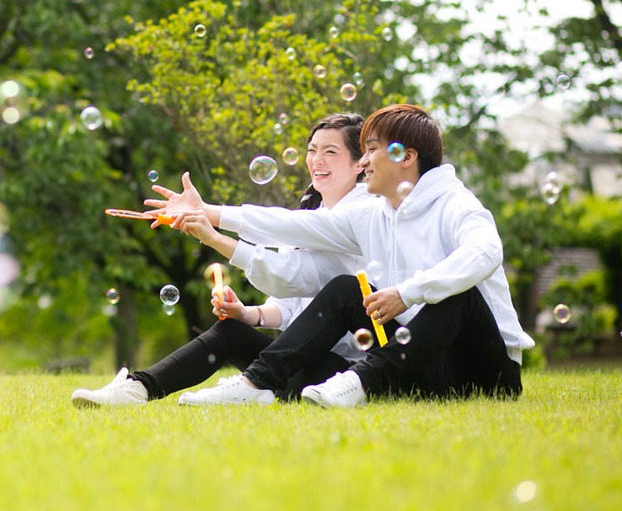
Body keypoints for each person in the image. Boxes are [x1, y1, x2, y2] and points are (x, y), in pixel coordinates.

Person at [148, 103, 535, 408]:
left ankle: (360, 380)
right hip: (420, 362)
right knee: (347, 289)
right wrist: (211, 213)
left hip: (486, 372)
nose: (363, 162)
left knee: (458, 294)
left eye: (370, 150)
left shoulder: (455, 203)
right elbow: (292, 225)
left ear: (407, 156)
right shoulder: (373, 215)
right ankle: (256, 382)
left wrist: (409, 291)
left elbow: (485, 252)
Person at [71, 113, 371, 407]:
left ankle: (252, 386)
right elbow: (290, 298)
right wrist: (248, 313)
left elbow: (289, 259)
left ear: (360, 163)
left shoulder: (361, 211)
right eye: (312, 150)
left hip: (342, 373)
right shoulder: (315, 214)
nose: (317, 160)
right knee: (230, 332)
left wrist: (211, 222)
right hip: (300, 362)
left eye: (330, 152)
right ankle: (137, 389)